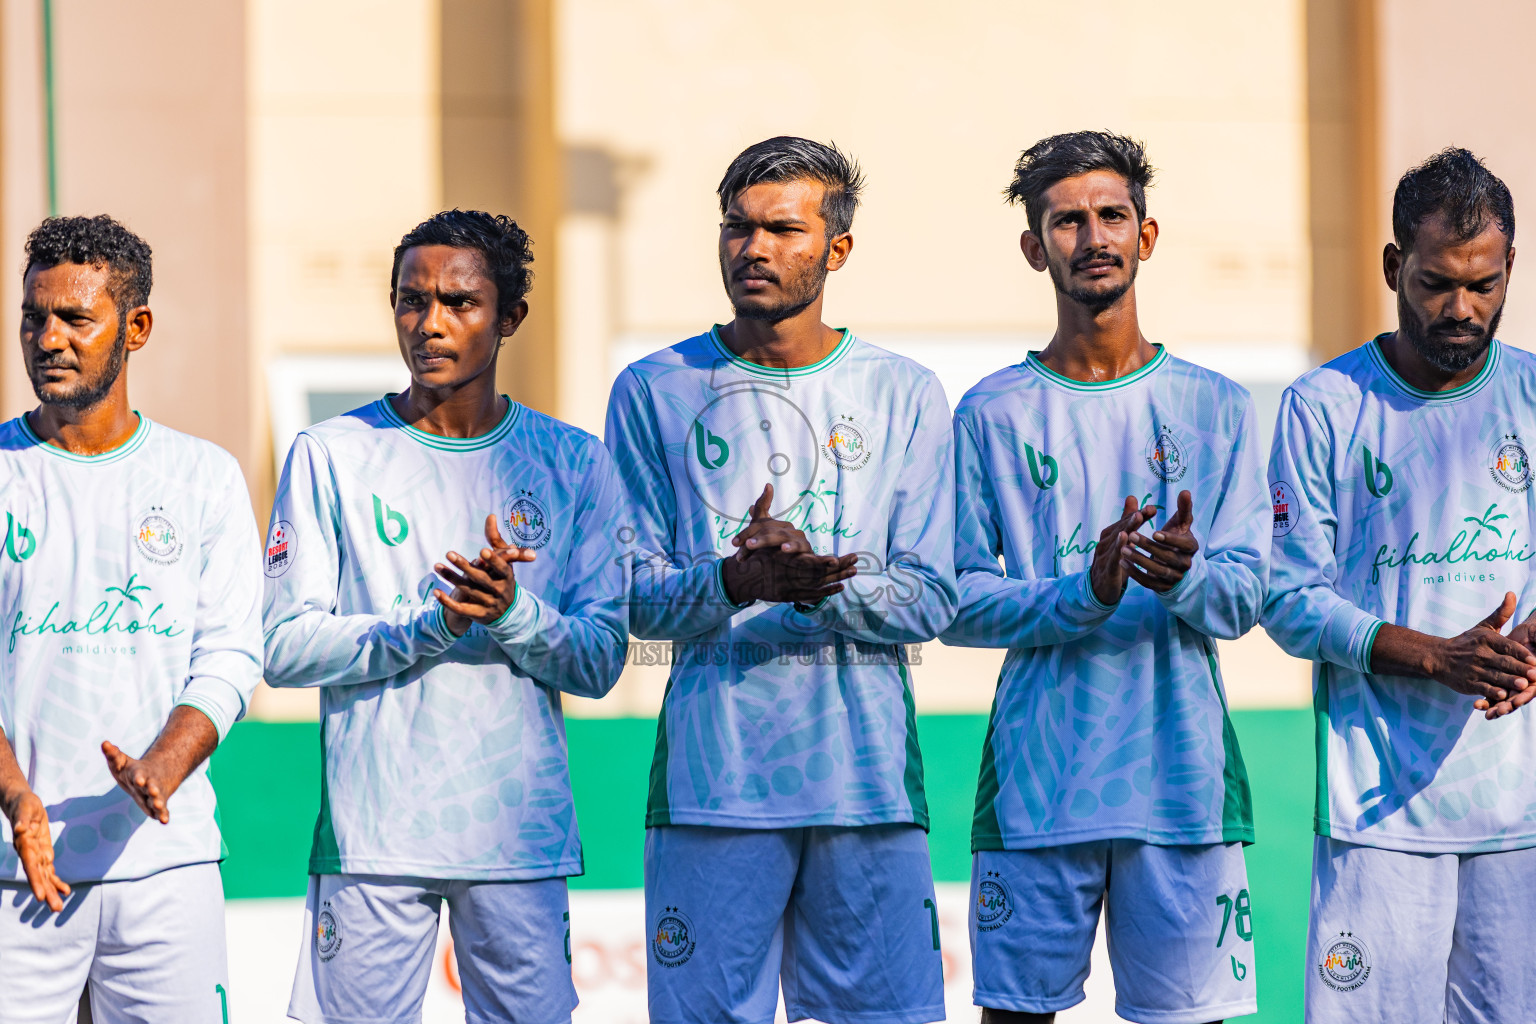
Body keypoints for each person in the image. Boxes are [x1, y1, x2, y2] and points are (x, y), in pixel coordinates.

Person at [604, 136, 956, 1024]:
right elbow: (631, 597)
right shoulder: (653, 389)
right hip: (712, 789)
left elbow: (933, 597)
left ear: (837, 249)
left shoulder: (905, 392)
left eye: (783, 230)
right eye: (738, 226)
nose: (753, 248)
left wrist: (818, 583)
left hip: (867, 789)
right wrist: (736, 581)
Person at [263, 209, 629, 1024]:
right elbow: (282, 647)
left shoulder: (574, 461)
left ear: (510, 317)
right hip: (375, 835)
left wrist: (511, 612)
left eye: (459, 303)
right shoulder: (331, 453)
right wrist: (429, 626)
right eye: (411, 300)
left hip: (519, 837)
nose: (429, 323)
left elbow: (603, 658)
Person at [943, 132, 1268, 1024]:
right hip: (1037, 790)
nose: (1093, 237)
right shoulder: (990, 411)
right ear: (1033, 247)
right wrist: (1082, 593)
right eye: (1067, 221)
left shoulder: (1217, 405)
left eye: (1112, 216)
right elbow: (954, 601)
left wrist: (1184, 577)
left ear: (1145, 236)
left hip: (1183, 789)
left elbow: (1248, 598)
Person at [1264, 147, 1536, 1023]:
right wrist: (1433, 657)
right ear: (1393, 268)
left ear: (1509, 268)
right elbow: (1287, 598)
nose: (1461, 308)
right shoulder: (1325, 406)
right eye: (1435, 284)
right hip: (1378, 816)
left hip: (1521, 818)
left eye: (1483, 285)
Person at [0, 215, 263, 1022]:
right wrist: (15, 797)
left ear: (136, 328)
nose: (49, 338)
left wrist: (162, 766)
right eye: (34, 317)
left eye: (75, 318)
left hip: (166, 866)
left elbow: (231, 657)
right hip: (15, 871)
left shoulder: (203, 477)